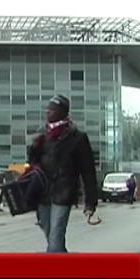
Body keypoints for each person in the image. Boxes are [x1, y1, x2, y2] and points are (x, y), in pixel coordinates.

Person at [30, 95, 98, 253]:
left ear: (62, 112)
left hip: (64, 193)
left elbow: (88, 172)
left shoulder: (78, 138)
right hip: (43, 193)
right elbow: (33, 163)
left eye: (52, 110)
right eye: (47, 109)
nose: (48, 113)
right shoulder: (43, 135)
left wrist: (91, 202)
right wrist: (34, 147)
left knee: (55, 237)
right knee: (50, 234)